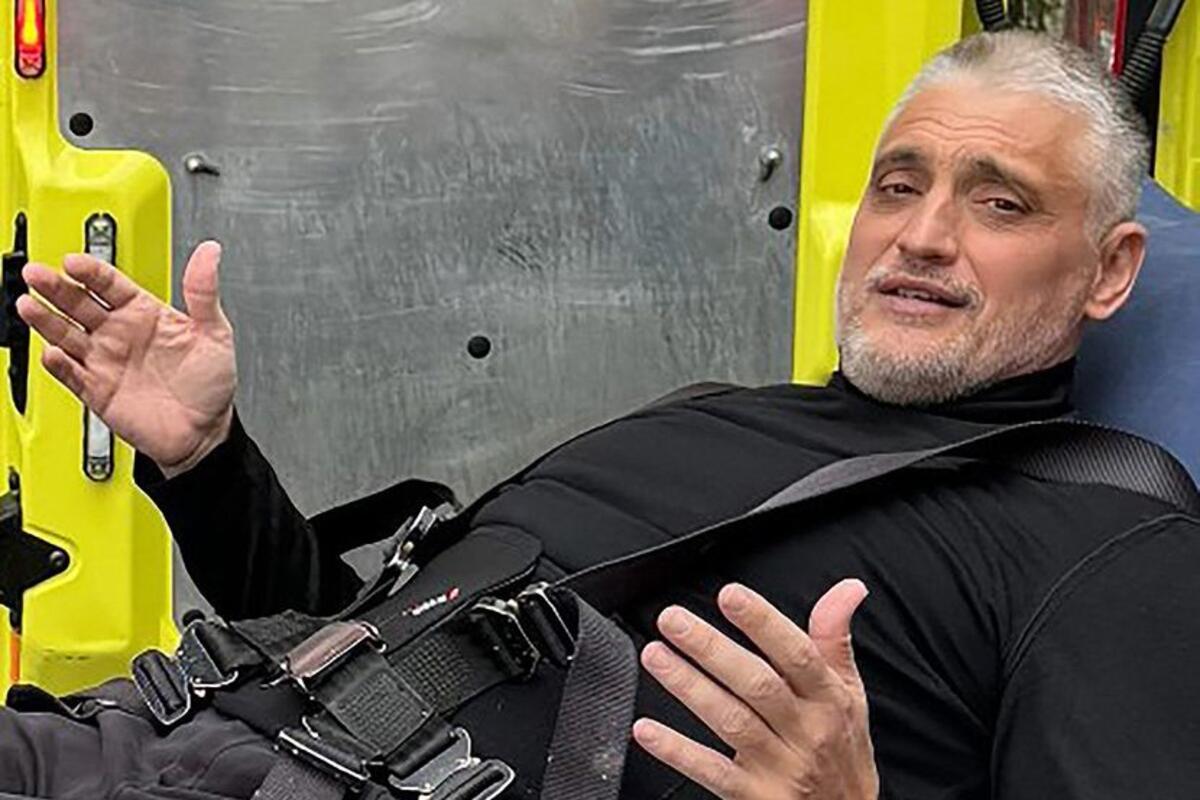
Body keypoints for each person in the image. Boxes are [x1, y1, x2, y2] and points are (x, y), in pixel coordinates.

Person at [9, 29, 1200, 800]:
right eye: (900, 185)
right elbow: (358, 658)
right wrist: (208, 458)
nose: (923, 234)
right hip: (137, 745)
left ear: (1109, 270)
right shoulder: (717, 415)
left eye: (1000, 203)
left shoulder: (1110, 536)